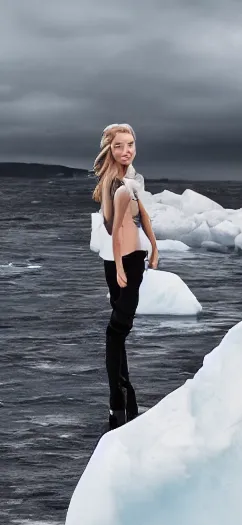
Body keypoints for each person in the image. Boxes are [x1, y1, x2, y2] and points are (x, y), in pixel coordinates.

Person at [91, 123, 159, 430]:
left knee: (118, 332)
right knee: (117, 330)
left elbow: (142, 214)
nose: (126, 150)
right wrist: (119, 266)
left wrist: (155, 248)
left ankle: (125, 401)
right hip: (123, 263)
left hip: (130, 259)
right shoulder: (116, 184)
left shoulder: (130, 180)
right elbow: (113, 228)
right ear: (110, 149)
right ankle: (118, 403)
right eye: (119, 146)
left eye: (130, 144)